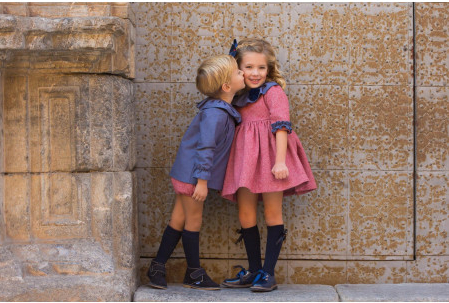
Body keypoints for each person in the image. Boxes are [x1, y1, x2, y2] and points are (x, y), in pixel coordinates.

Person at [221, 38, 317, 292]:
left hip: (272, 160)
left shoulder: (273, 91)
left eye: (261, 68)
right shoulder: (237, 95)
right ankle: (253, 270)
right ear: (239, 68)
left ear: (269, 69)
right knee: (246, 213)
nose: (255, 73)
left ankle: (268, 273)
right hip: (245, 161)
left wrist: (280, 162)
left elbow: (282, 127)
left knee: (273, 213)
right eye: (249, 67)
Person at [147, 54, 245, 290]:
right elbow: (205, 148)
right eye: (238, 72)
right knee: (193, 221)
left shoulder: (219, 108)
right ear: (226, 86)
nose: (243, 72)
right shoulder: (216, 113)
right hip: (192, 176)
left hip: (185, 172)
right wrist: (202, 181)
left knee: (178, 219)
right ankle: (194, 273)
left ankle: (157, 267)